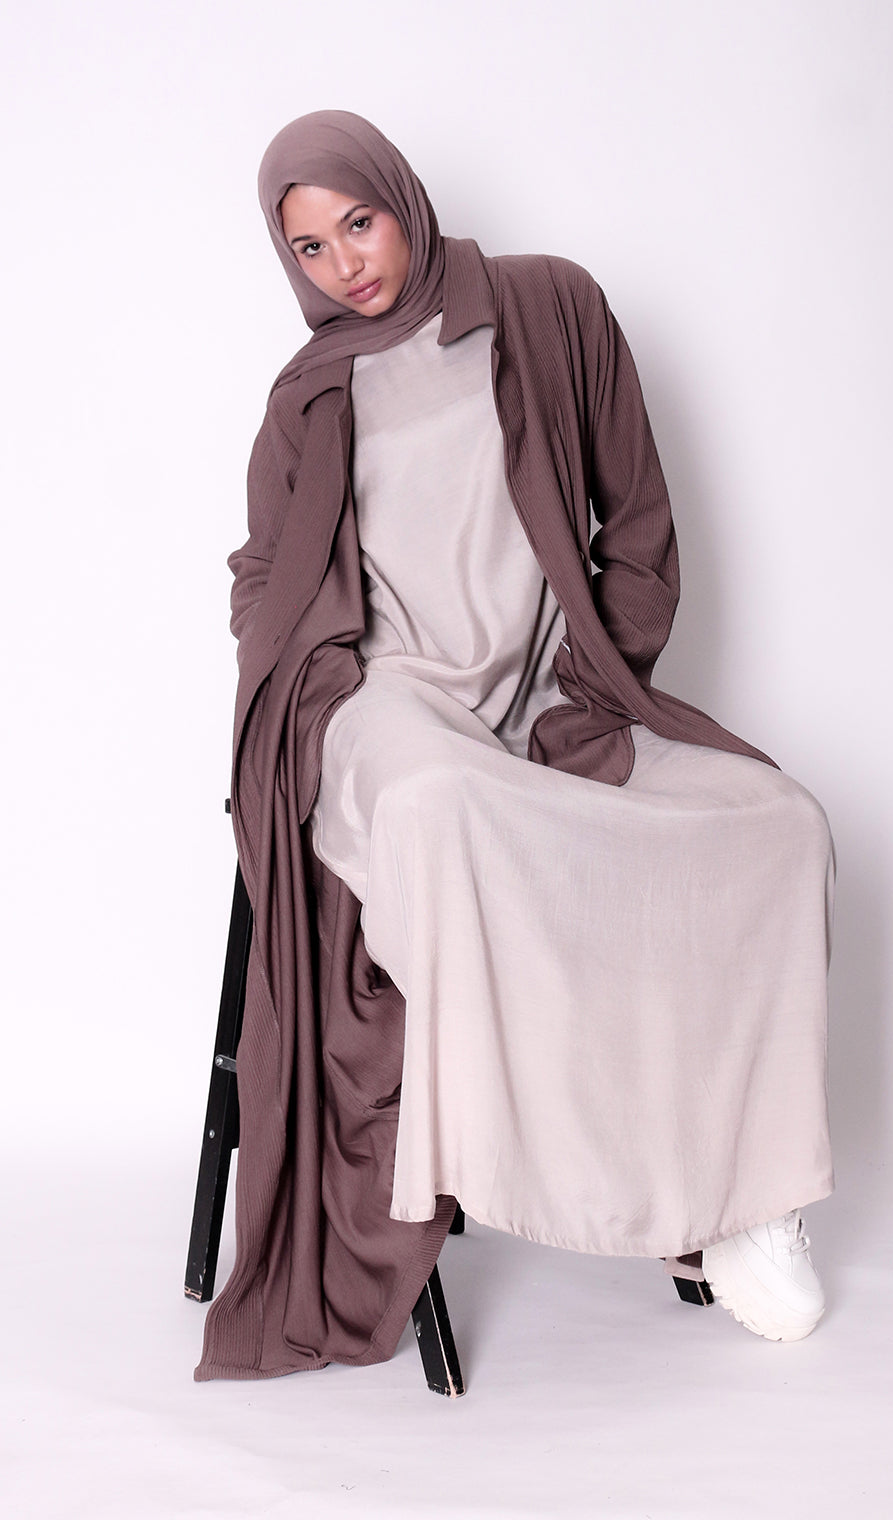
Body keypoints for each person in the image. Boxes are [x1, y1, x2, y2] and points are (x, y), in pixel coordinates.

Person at [195, 111, 834, 1385]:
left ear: (402, 198)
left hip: (544, 702)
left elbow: (636, 521)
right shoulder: (308, 397)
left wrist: (594, 676)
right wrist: (308, 684)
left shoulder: (548, 308)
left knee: (778, 822)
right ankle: (539, 1160)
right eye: (309, 247)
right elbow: (261, 571)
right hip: (391, 709)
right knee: (440, 803)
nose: (344, 264)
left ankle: (744, 1194)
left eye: (358, 223)